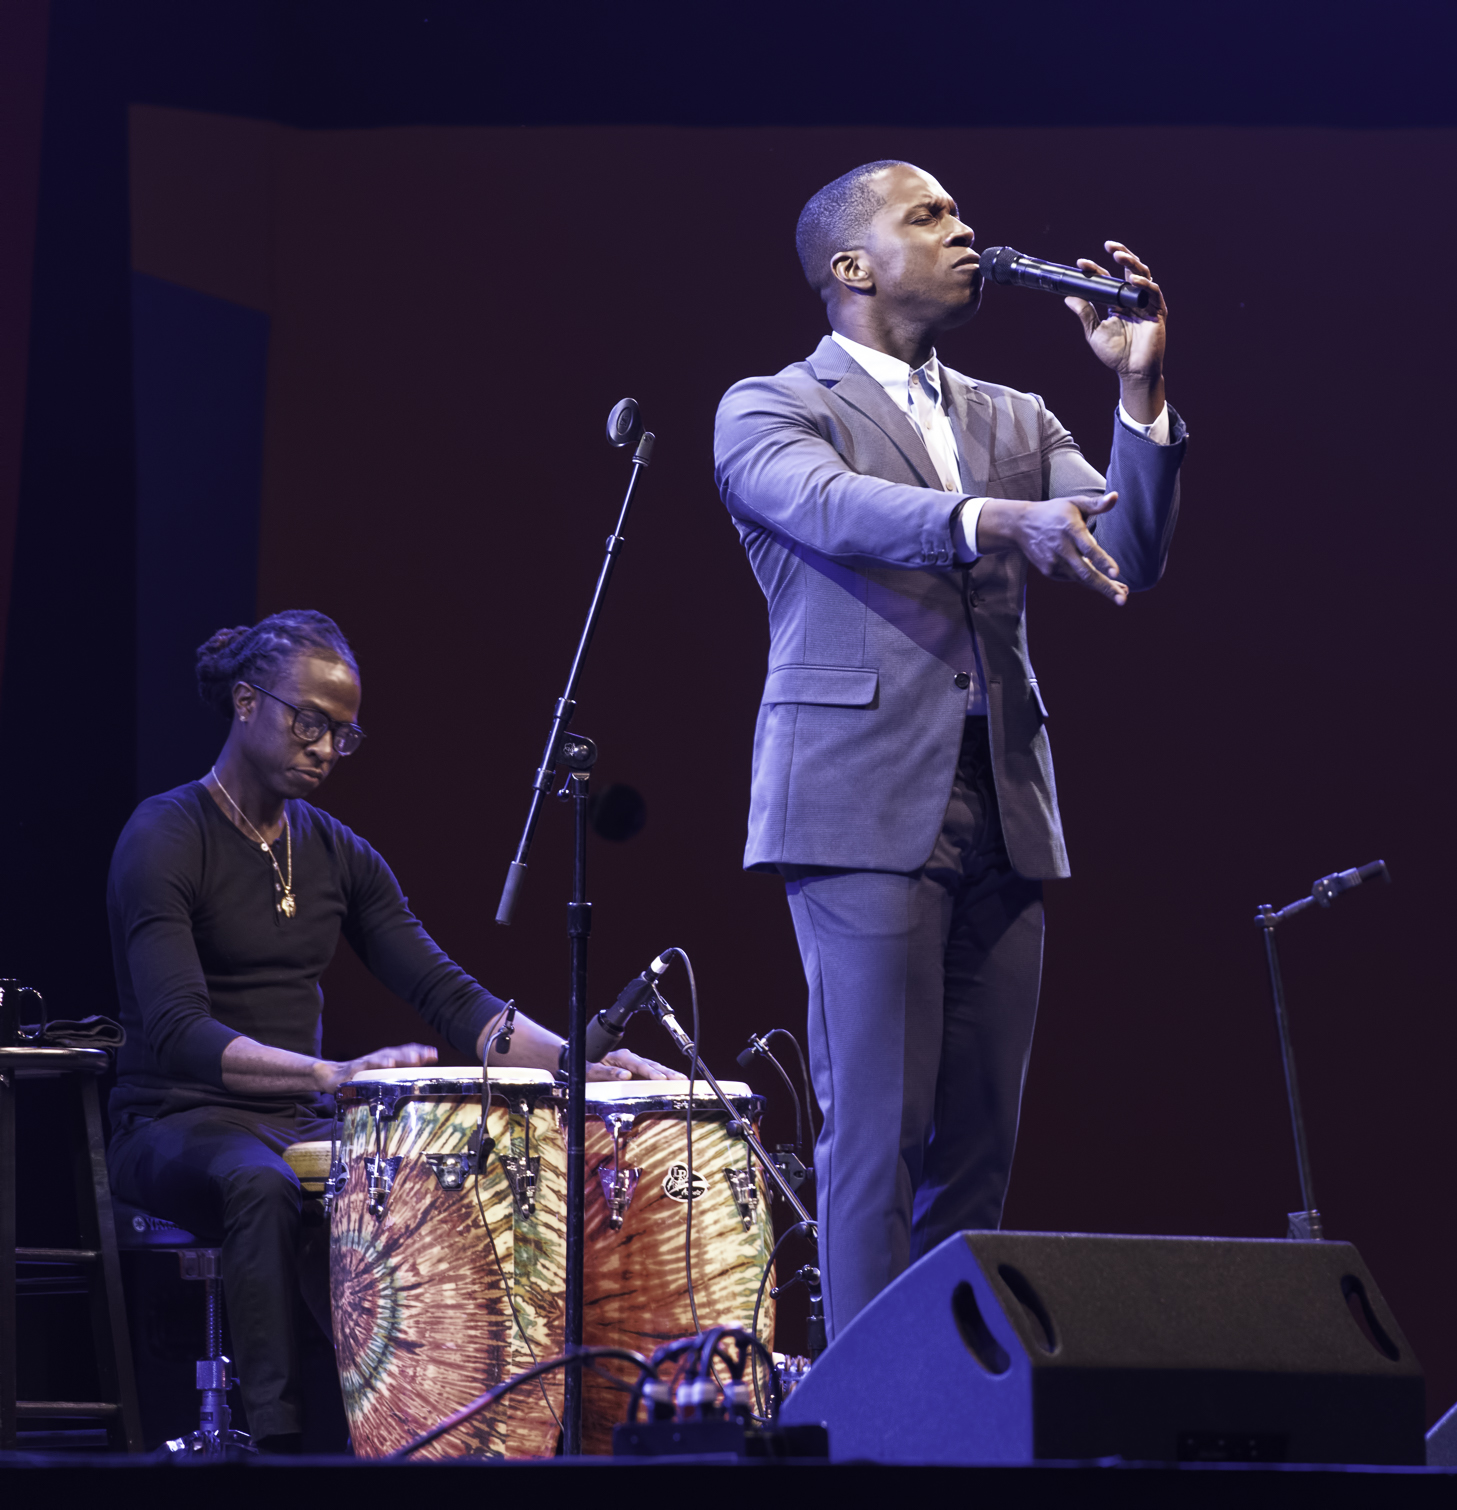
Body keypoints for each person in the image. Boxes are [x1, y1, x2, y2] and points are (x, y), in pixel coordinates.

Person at [712, 161, 1184, 1337]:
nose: (964, 228)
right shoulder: (774, 405)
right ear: (852, 267)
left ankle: (946, 1413)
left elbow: (1132, 548)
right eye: (929, 216)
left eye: (962, 213)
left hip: (1004, 799)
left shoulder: (1012, 414)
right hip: (859, 805)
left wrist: (1140, 391)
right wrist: (988, 518)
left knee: (978, 1146)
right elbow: (831, 507)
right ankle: (862, 1430)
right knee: (877, 1133)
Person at [106, 611, 669, 1450]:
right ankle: (279, 1445)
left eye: (343, 733)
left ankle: (427, 1430)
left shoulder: (339, 854)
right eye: (310, 723)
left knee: (430, 1179)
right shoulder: (164, 834)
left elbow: (452, 998)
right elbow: (183, 1031)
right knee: (258, 1185)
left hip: (299, 1123)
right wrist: (329, 1076)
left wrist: (578, 1064)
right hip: (176, 1120)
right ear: (246, 702)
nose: (327, 748)